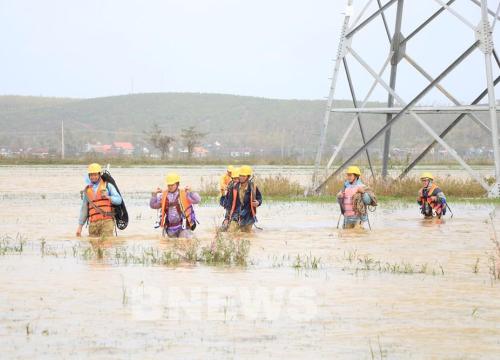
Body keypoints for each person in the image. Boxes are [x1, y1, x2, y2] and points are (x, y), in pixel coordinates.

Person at [76, 163, 123, 237]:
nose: (93, 177)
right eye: (91, 175)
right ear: (89, 176)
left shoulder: (107, 186)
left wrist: (108, 197)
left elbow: (118, 200)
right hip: (93, 224)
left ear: (99, 175)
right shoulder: (87, 190)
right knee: (93, 246)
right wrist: (80, 227)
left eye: (95, 175)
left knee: (106, 244)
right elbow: (84, 209)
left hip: (107, 222)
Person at [150, 173, 201, 238]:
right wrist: (154, 195)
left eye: (172, 185)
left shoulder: (185, 193)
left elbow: (197, 200)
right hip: (170, 228)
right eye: (169, 185)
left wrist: (191, 191)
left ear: (177, 184)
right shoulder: (163, 196)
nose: (170, 187)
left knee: (183, 242)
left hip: (183, 227)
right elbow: (153, 205)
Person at [223, 165, 262, 232]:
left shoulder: (253, 187)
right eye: (240, 175)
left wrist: (258, 202)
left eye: (243, 176)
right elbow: (229, 205)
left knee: (247, 235)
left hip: (248, 216)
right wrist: (226, 218)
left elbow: (259, 198)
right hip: (235, 215)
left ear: (248, 177)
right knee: (231, 232)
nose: (241, 177)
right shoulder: (233, 188)